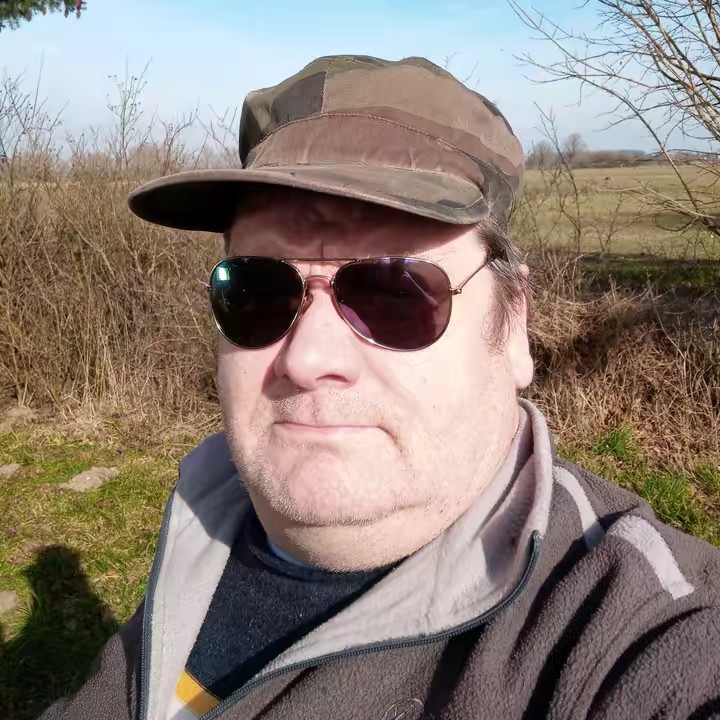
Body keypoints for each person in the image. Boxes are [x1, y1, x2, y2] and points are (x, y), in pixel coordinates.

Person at [42, 55, 720, 720]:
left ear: (512, 324)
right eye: (257, 289)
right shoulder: (205, 514)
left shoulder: (630, 629)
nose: (308, 358)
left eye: (394, 294)